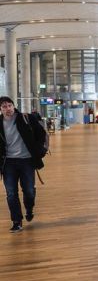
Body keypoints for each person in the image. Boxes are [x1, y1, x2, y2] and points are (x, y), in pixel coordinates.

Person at [0, 97, 47, 233]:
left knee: (29, 191)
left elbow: (41, 133)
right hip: (8, 162)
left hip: (26, 160)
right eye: (4, 107)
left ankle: (29, 208)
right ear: (1, 109)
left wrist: (38, 151)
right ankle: (17, 221)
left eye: (10, 105)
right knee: (11, 193)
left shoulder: (26, 118)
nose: (8, 109)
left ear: (14, 106)